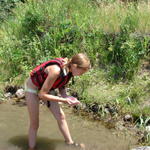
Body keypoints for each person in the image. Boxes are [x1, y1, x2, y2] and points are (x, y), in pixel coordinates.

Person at [25, 53, 91, 150]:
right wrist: (64, 100)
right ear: (75, 66)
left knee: (61, 116)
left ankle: (70, 143)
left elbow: (61, 85)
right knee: (35, 123)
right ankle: (32, 148)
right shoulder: (56, 70)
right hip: (33, 88)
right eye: (81, 72)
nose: (81, 75)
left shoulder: (69, 69)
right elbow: (42, 95)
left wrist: (67, 97)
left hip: (47, 88)